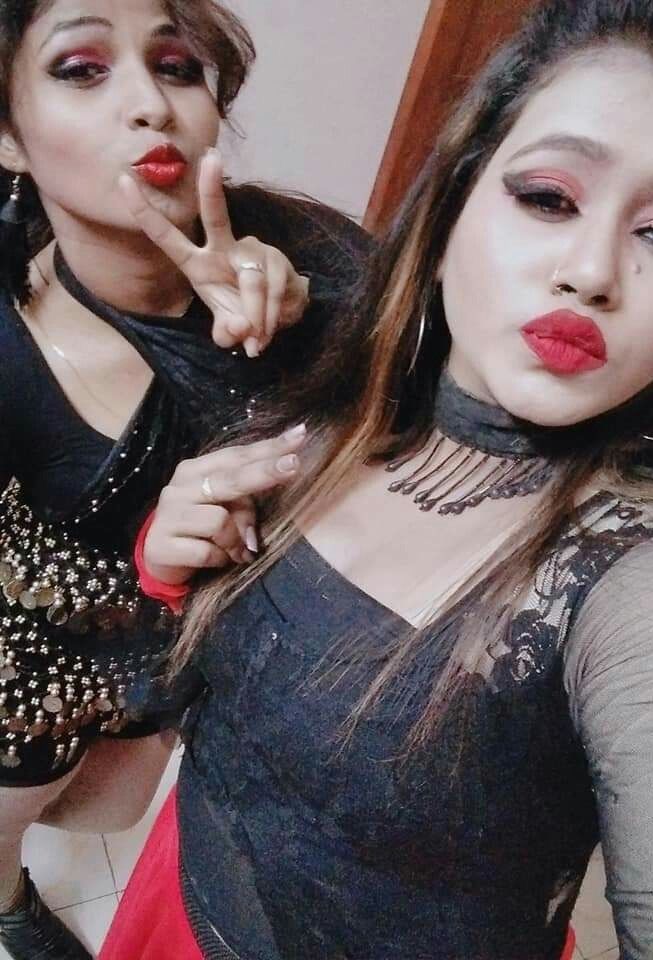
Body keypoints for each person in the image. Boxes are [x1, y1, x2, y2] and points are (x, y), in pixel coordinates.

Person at [104, 0, 653, 957]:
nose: (592, 271)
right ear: (451, 211)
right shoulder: (329, 411)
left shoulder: (650, 585)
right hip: (167, 904)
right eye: (549, 198)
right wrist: (168, 560)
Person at [0, 1, 366, 958]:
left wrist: (306, 333)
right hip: (35, 647)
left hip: (185, 641)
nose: (150, 104)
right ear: (9, 135)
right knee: (12, 808)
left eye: (175, 65)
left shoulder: (321, 263)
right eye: (81, 68)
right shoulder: (11, 337)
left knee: (125, 805)